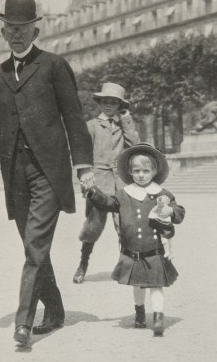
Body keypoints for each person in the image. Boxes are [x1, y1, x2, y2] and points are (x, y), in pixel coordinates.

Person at [0, 0, 94, 345]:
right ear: (2, 33)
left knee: (34, 245)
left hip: (49, 171)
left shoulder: (54, 66)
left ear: (36, 31)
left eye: (23, 28)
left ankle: (23, 324)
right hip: (14, 172)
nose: (17, 34)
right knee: (34, 247)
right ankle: (55, 310)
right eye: (11, 29)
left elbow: (73, 117)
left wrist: (83, 166)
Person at [85, 143, 185, 336]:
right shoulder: (124, 194)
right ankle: (140, 313)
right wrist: (92, 192)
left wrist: (170, 211)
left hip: (155, 249)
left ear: (154, 171)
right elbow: (107, 203)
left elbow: (179, 212)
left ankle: (158, 319)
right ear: (130, 172)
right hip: (133, 250)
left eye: (146, 171)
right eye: (136, 171)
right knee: (138, 284)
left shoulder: (162, 194)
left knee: (156, 285)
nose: (141, 175)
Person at [73, 82, 139, 283]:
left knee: (124, 225)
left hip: (121, 182)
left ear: (120, 105)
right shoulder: (92, 125)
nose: (108, 105)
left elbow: (134, 145)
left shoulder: (123, 125)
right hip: (98, 181)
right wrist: (85, 178)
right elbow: (83, 153)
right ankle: (83, 264)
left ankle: (125, 267)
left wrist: (126, 120)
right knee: (93, 225)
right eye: (105, 101)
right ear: (99, 103)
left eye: (113, 102)